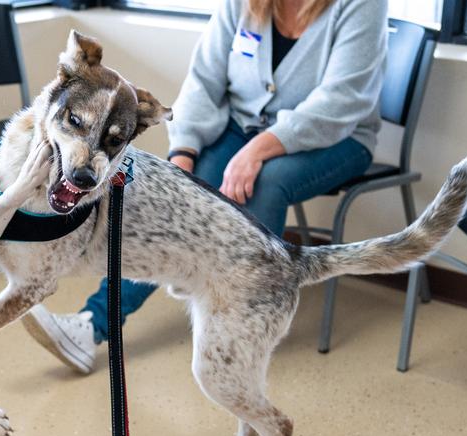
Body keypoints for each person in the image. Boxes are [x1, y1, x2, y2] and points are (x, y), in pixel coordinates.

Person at [23, 0, 387, 374]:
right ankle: (92, 324)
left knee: (266, 183)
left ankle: (242, 329)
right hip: (242, 127)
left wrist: (257, 151)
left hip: (335, 138)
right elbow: (203, 82)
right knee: (176, 201)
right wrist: (182, 153)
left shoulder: (359, 6)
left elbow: (343, 101)